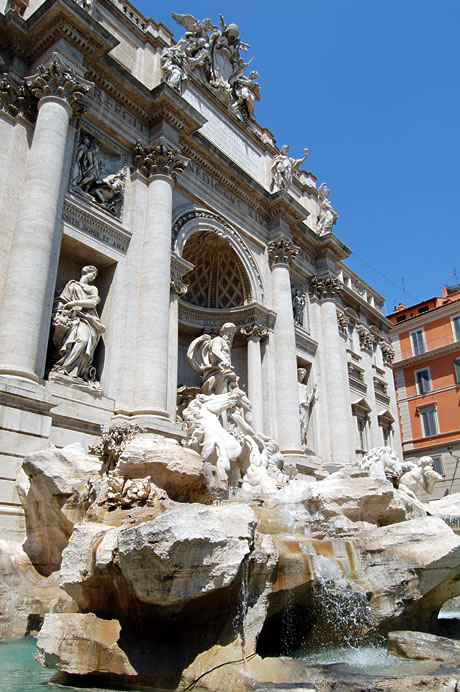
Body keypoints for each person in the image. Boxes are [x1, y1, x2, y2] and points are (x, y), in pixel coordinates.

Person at [51, 265, 106, 382]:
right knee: (73, 341)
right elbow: (62, 299)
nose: (93, 277)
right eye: (93, 274)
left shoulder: (93, 289)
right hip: (72, 317)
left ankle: (72, 370)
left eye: (95, 275)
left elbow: (93, 302)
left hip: (87, 318)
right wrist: (61, 311)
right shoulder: (72, 285)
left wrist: (74, 302)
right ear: (86, 272)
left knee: (84, 340)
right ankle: (64, 369)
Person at [187, 322, 238, 395]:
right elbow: (215, 350)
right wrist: (224, 360)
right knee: (223, 396)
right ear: (223, 331)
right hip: (219, 372)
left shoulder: (227, 345)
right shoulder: (218, 340)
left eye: (232, 332)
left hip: (226, 372)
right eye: (229, 331)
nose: (231, 334)